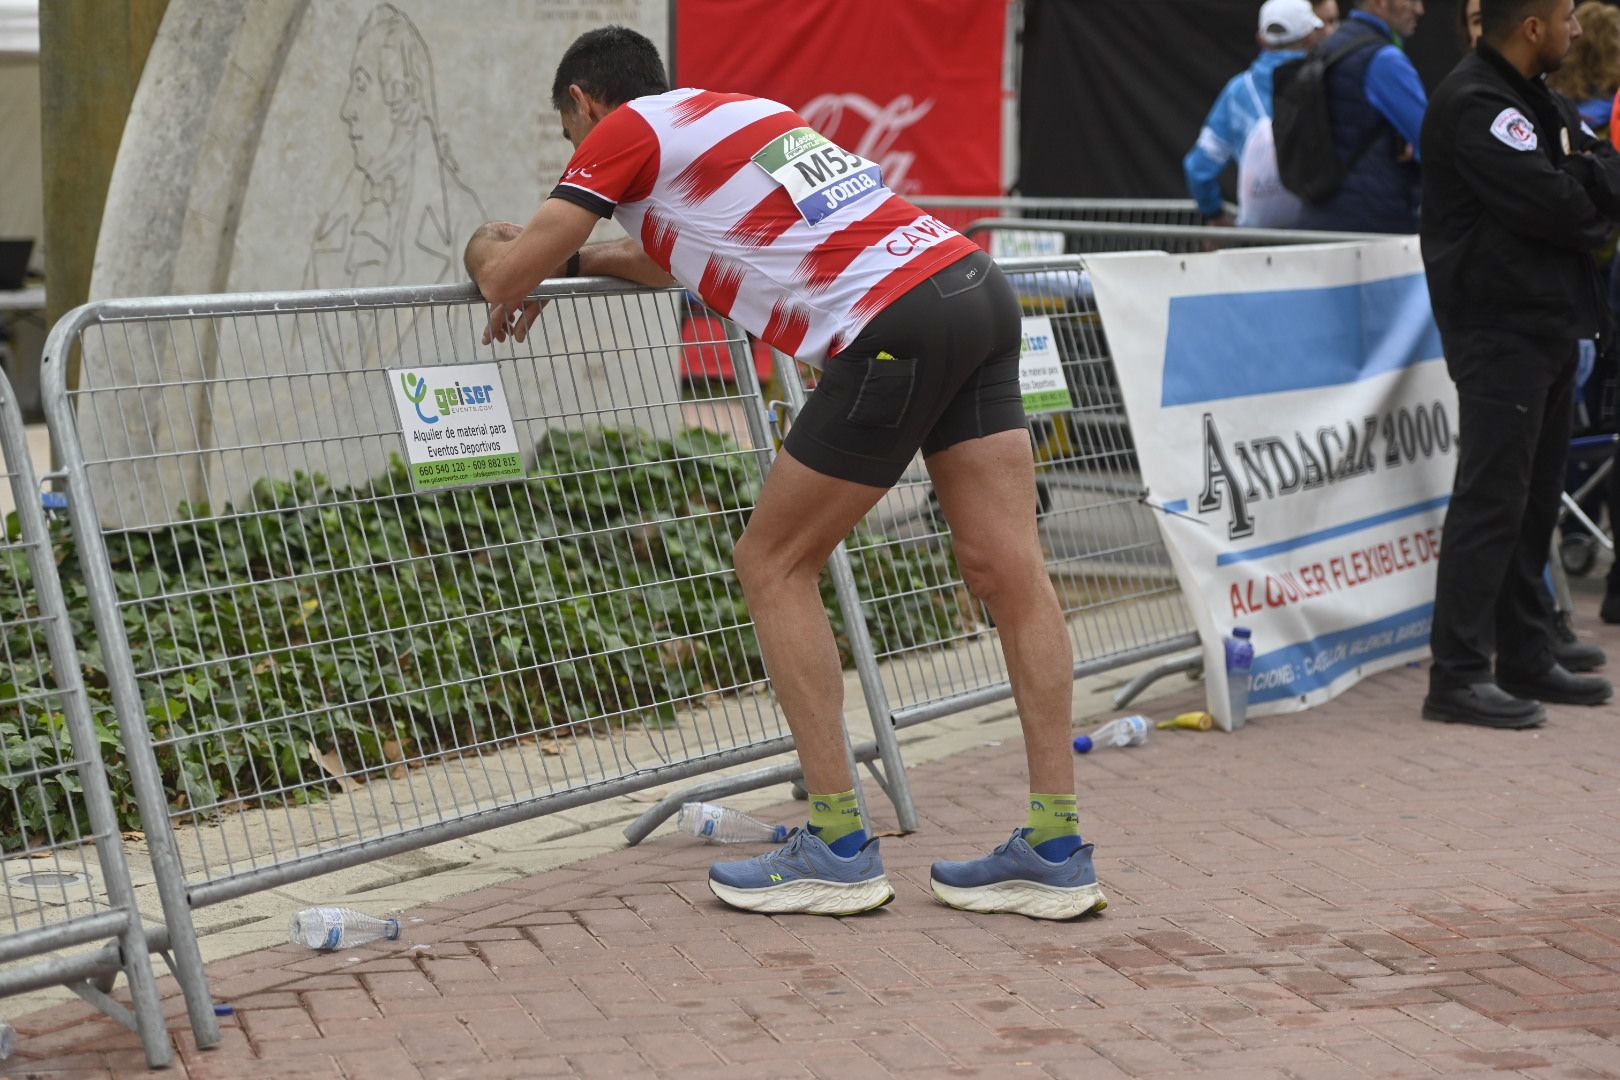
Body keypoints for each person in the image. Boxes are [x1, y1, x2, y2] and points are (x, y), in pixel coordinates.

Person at [464, 27, 1104, 919]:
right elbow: (666, 256)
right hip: (970, 287)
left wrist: (488, 253)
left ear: (582, 103)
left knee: (772, 563)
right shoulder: (745, 115)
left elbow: (507, 274)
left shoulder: (624, 132)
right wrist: (578, 260)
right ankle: (1056, 843)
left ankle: (838, 843)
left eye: (569, 137)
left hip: (894, 325)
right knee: (1011, 572)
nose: (577, 158)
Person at [1420, 0, 1620, 729]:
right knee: (1490, 502)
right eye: (1566, 17)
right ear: (1533, 25)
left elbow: (1605, 172)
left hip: (1550, 325)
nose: (1577, 30)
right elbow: (1557, 206)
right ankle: (1459, 674)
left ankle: (1526, 649)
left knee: (1535, 499)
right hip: (1497, 330)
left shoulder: (1540, 99)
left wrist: (1585, 179)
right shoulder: (1477, 101)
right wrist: (1588, 194)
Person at [1184, 0, 1329, 228]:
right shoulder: (1327, 82)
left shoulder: (1238, 92)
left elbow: (1198, 167)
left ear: (1260, 39)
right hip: (1322, 231)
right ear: (1311, 37)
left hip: (1259, 240)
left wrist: (1213, 212)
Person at [1295, 0, 1429, 234]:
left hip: (1318, 216)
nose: (1419, 9)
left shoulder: (1329, 48)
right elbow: (1433, 142)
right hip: (1374, 229)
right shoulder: (1384, 59)